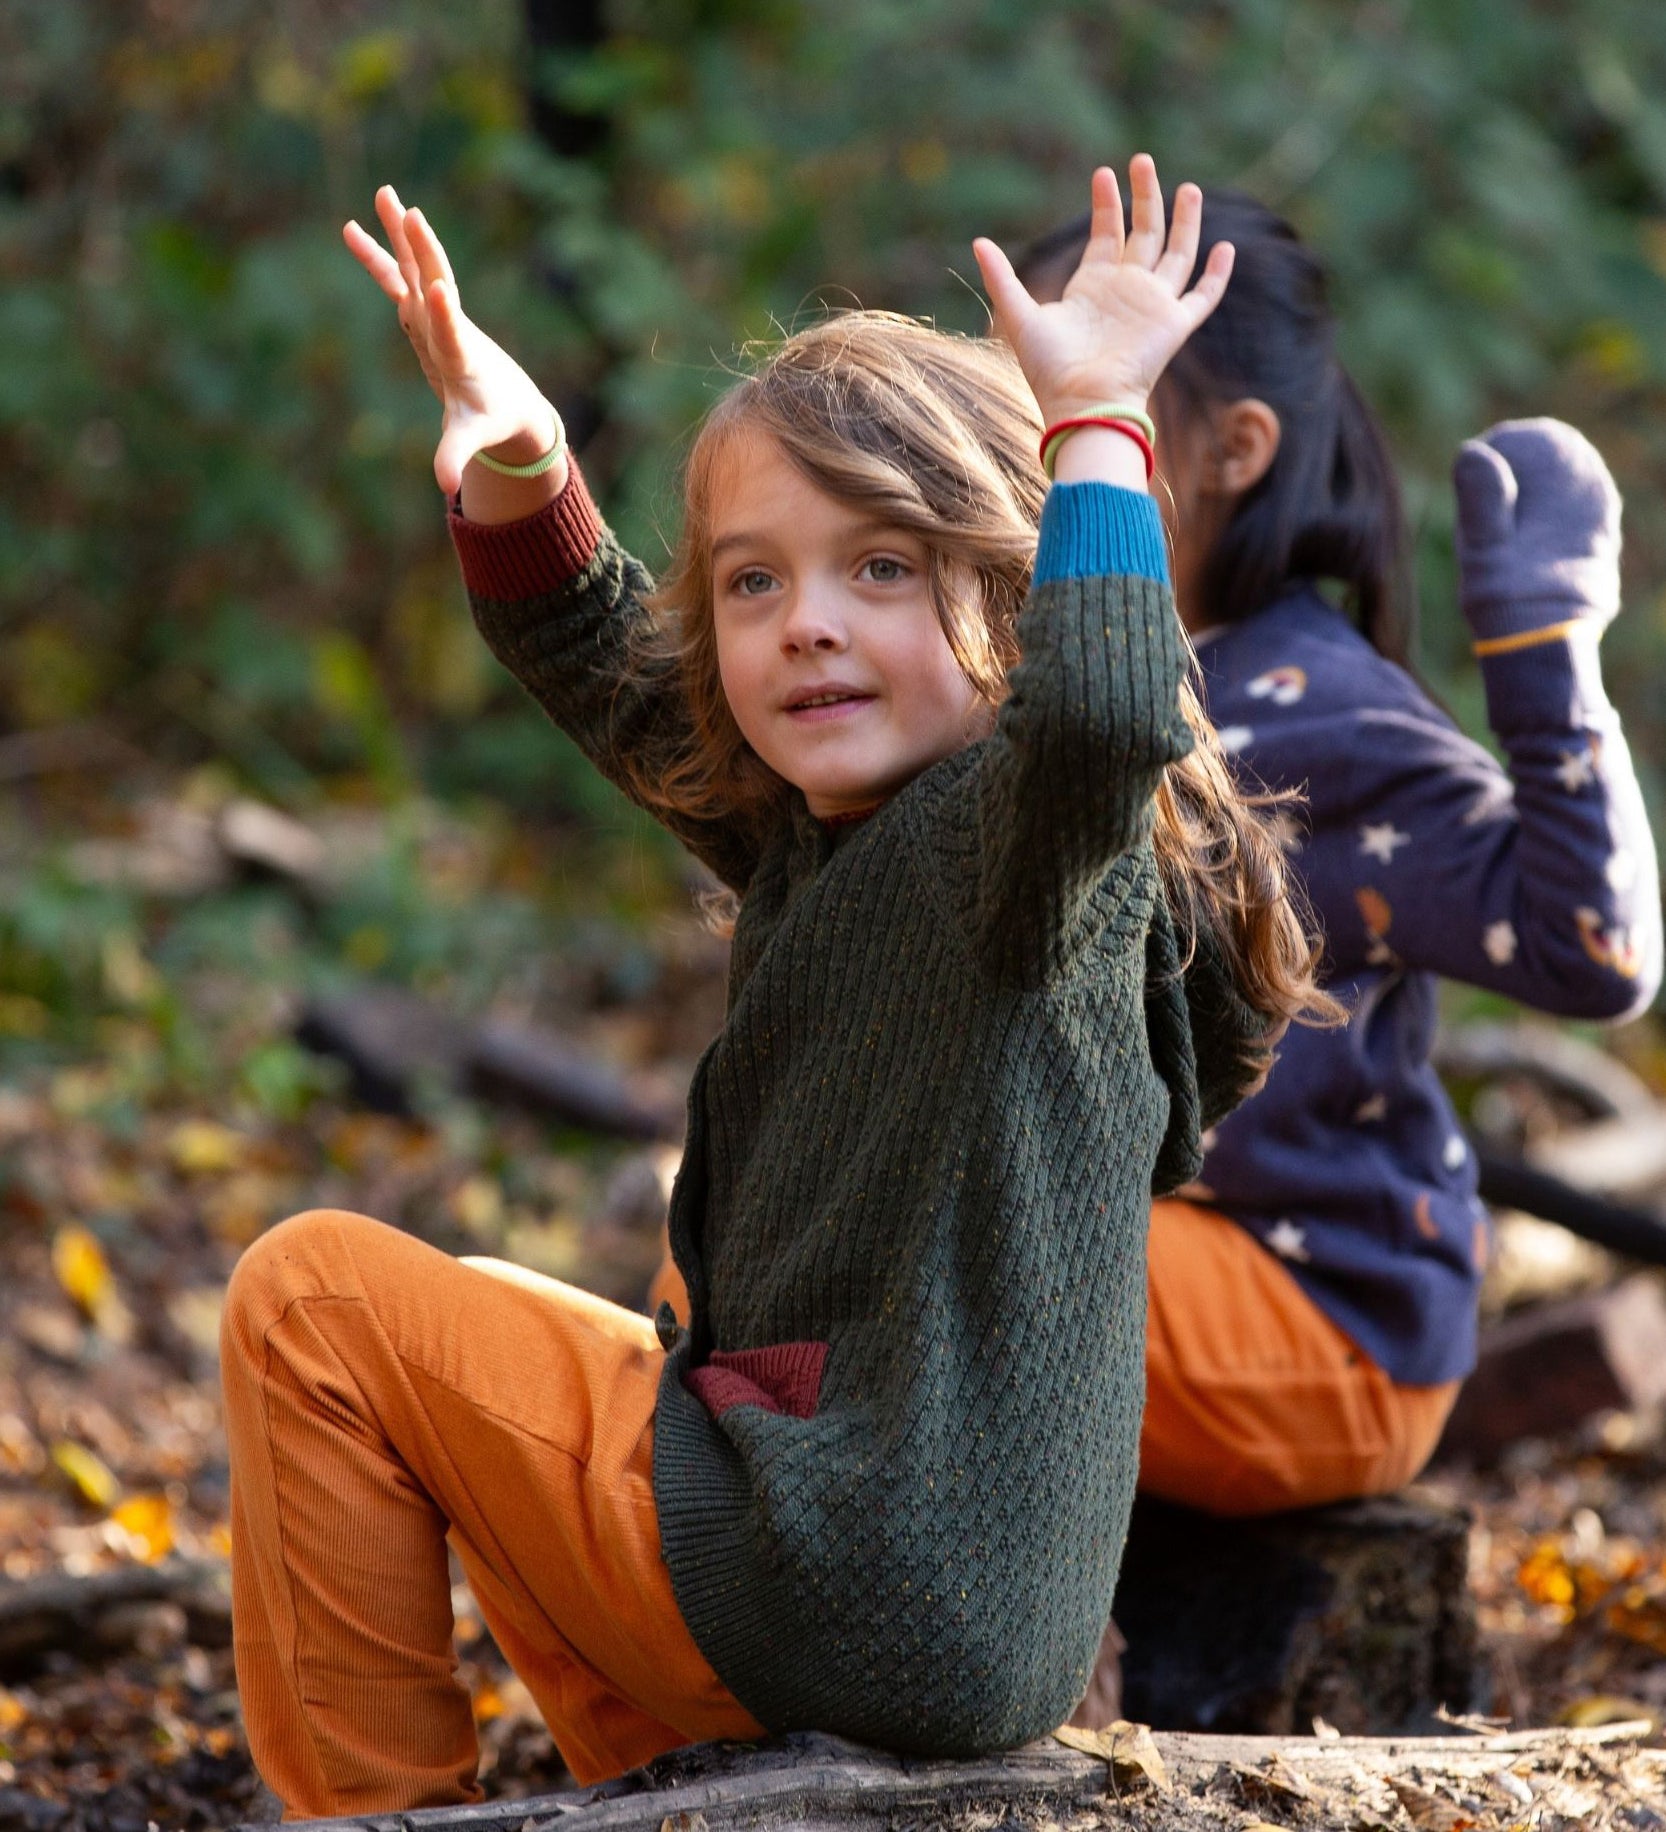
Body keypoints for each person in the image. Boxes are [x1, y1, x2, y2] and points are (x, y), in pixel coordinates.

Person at [219, 158, 1336, 1814]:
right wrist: (528, 470)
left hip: (857, 1570)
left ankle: (371, 1815)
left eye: (879, 568)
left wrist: (1098, 424)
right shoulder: (853, 838)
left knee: (314, 1301)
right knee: (552, 1344)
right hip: (900, 1588)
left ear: (1013, 597)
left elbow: (1103, 721)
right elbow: (629, 693)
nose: (804, 625)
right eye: (753, 580)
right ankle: (672, 1780)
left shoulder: (1013, 864)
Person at [1012, 189, 1663, 1523]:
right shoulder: (1033, 683)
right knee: (739, 1271)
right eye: (1010, 381)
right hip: (1119, 1261)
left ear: (1232, 447)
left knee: (918, 1272)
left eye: (1086, 389)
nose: (1021, 432)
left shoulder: (1312, 718)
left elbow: (1589, 950)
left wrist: (1542, 669)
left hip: (1319, 1317)